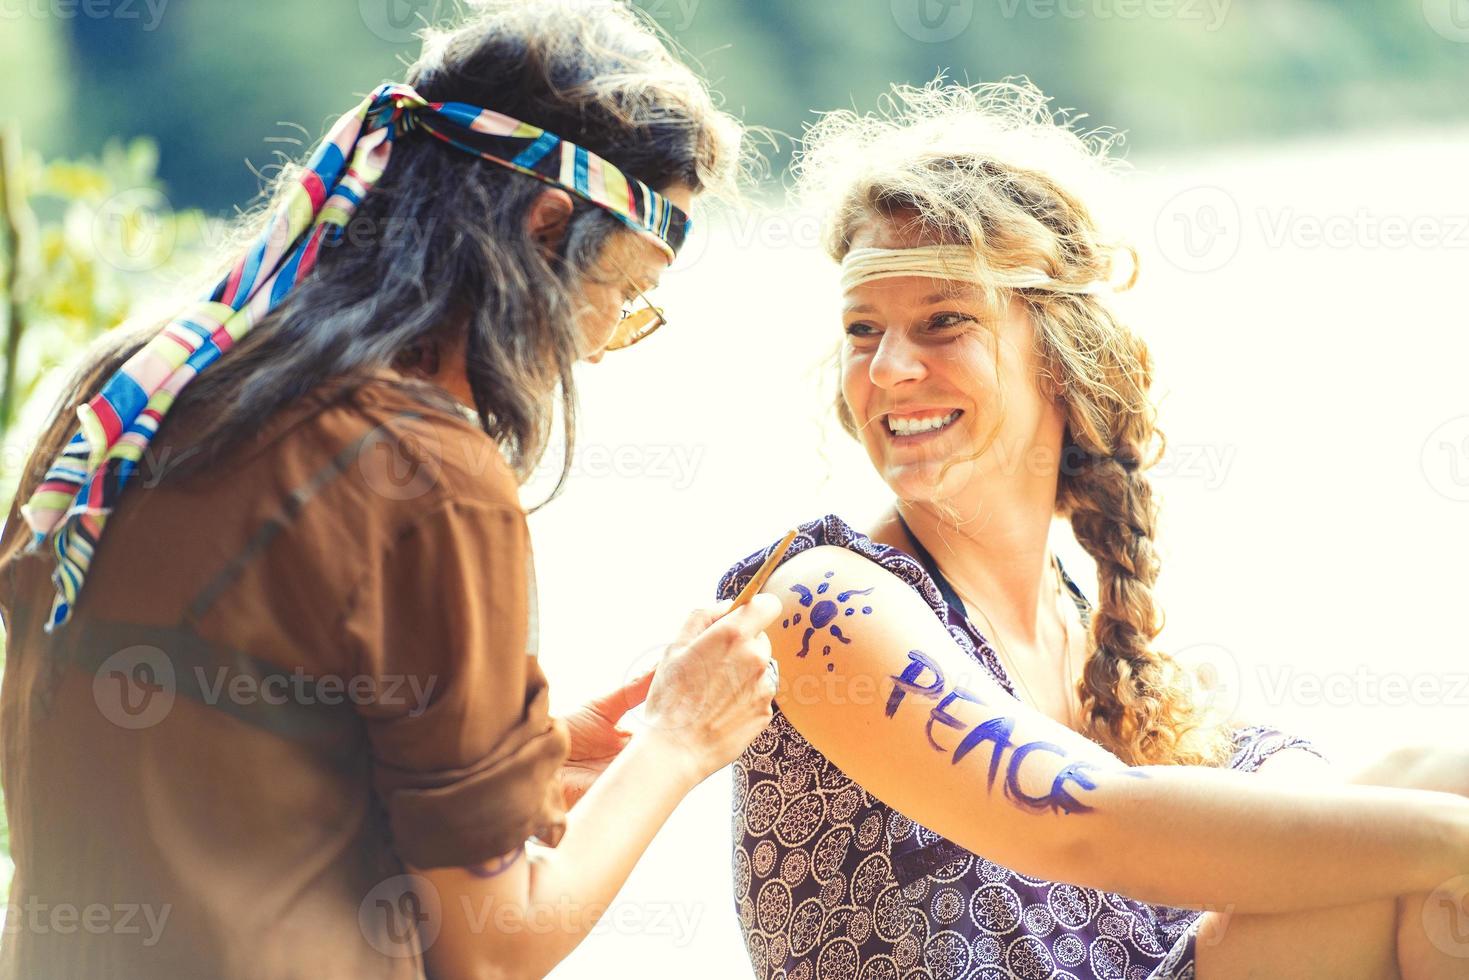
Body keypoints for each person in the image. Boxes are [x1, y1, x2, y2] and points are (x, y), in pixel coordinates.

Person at [0, 3, 782, 978]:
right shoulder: (424, 475)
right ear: (545, 234)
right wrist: (675, 741)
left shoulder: (135, 385)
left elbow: (219, 746)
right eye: (622, 290)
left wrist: (523, 756)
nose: (597, 342)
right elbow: (494, 946)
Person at [717, 81, 1469, 980]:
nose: (889, 368)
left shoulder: (1090, 630)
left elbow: (1298, 788)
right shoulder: (822, 600)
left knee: (1429, 783)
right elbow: (1080, 819)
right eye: (862, 329)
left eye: (943, 322)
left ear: (1059, 349)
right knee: (1420, 828)